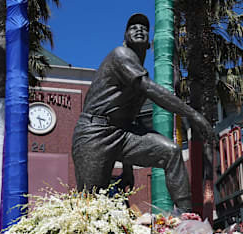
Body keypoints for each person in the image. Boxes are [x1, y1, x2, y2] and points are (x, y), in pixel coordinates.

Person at [71, 13, 215, 211]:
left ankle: (186, 218)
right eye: (133, 27)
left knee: (170, 151)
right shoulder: (121, 55)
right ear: (125, 37)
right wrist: (193, 114)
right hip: (94, 134)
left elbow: (129, 118)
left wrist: (128, 167)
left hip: (121, 133)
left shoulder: (137, 67)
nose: (139, 29)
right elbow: (151, 89)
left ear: (149, 43)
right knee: (90, 206)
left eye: (144, 28)